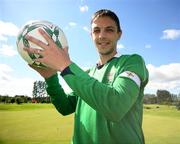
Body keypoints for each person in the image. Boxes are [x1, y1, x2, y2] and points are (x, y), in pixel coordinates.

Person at [25, 9, 149, 144]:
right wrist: (50, 78)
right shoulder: (87, 74)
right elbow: (65, 107)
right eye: (96, 31)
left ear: (119, 34)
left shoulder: (132, 62)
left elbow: (116, 106)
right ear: (91, 35)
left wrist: (65, 65)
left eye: (109, 30)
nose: (102, 36)